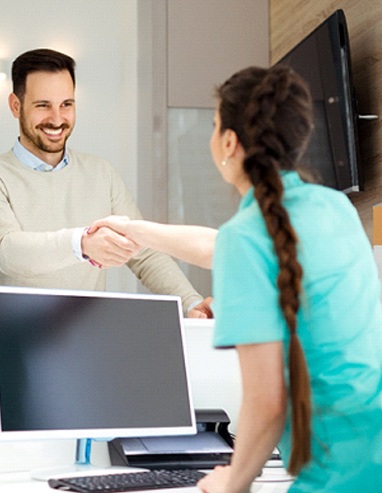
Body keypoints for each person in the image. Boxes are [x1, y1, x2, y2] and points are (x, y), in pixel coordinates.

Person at [90, 65, 382, 492]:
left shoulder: (246, 239)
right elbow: (224, 246)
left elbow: (266, 402)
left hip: (337, 475)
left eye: (213, 125)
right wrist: (137, 230)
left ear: (228, 141)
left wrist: (233, 481)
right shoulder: (334, 208)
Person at [0, 48, 212, 317]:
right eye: (43, 105)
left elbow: (144, 253)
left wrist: (190, 302)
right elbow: (8, 252)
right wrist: (81, 243)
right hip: (10, 334)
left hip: (85, 333)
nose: (57, 119)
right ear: (15, 106)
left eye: (66, 104)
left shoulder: (101, 173)